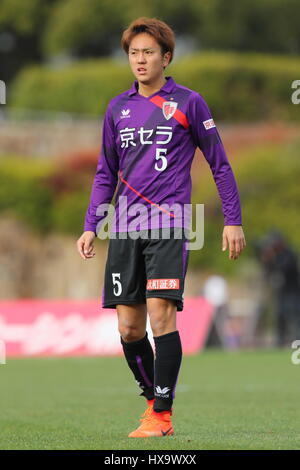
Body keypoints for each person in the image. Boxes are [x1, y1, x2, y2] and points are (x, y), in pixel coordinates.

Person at [76, 17, 246, 438]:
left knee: (159, 315)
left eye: (148, 52)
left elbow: (219, 164)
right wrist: (91, 224)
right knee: (129, 328)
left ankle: (162, 414)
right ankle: (154, 402)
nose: (140, 59)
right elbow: (104, 173)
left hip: (170, 223)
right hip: (125, 227)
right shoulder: (118, 109)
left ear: (166, 57)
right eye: (134, 52)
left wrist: (233, 220)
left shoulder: (189, 103)